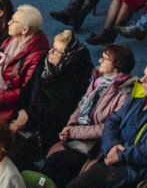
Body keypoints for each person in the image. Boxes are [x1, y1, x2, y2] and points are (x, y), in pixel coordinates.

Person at [66, 59, 147, 188]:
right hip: (110, 156)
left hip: (133, 171)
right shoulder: (139, 96)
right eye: (144, 74)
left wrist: (118, 155)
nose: (142, 80)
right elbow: (112, 121)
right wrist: (111, 147)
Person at [41, 43, 137, 184]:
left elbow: (107, 127)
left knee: (56, 163)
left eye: (104, 59)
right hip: (79, 133)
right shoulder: (99, 81)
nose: (99, 61)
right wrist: (70, 125)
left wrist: (74, 131)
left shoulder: (125, 92)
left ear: (117, 65)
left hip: (96, 145)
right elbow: (81, 106)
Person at [9, 29, 93, 168]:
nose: (50, 52)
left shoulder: (75, 77)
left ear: (68, 56)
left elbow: (56, 112)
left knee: (15, 152)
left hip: (50, 128)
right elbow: (27, 90)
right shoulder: (45, 62)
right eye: (52, 47)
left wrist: (26, 118)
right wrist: (21, 111)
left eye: (56, 50)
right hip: (28, 117)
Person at [0, 5, 49, 122]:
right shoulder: (10, 42)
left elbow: (25, 91)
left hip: (12, 108)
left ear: (25, 30)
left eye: (14, 21)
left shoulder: (37, 57)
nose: (8, 23)